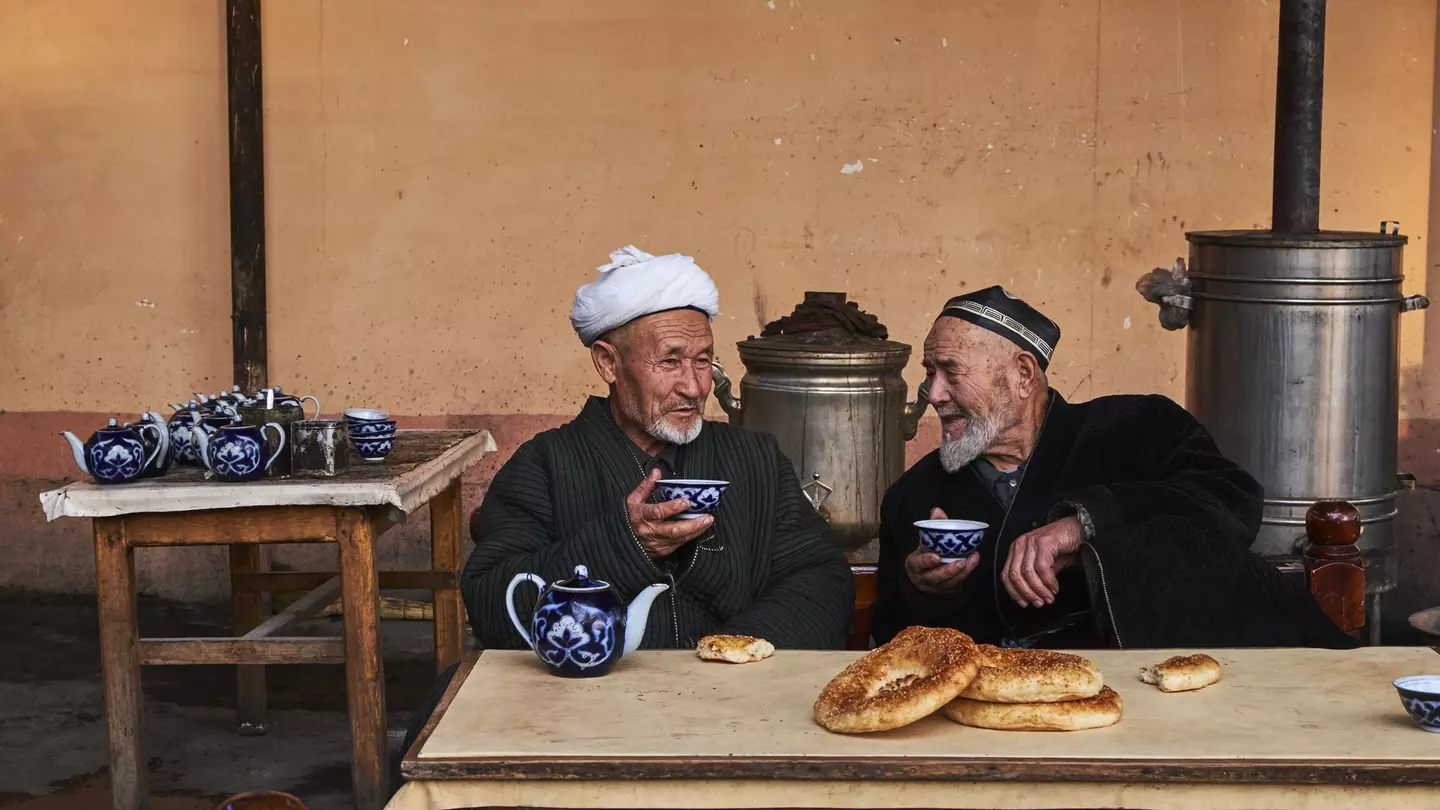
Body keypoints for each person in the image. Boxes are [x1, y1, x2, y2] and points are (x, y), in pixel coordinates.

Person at [871, 286, 1358, 650]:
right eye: (929, 374)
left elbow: (1233, 502)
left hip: (1161, 691)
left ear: (1022, 374)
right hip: (1004, 717)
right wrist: (923, 589)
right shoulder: (913, 496)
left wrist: (1084, 524)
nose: (933, 394)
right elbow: (889, 638)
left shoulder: (1136, 428)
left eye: (950, 372)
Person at [460, 245, 854, 649]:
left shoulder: (756, 460)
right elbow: (491, 603)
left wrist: (734, 650)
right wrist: (624, 544)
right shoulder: (544, 465)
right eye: (670, 362)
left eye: (703, 361)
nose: (695, 386)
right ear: (608, 364)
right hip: (595, 702)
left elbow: (822, 579)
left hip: (736, 695)